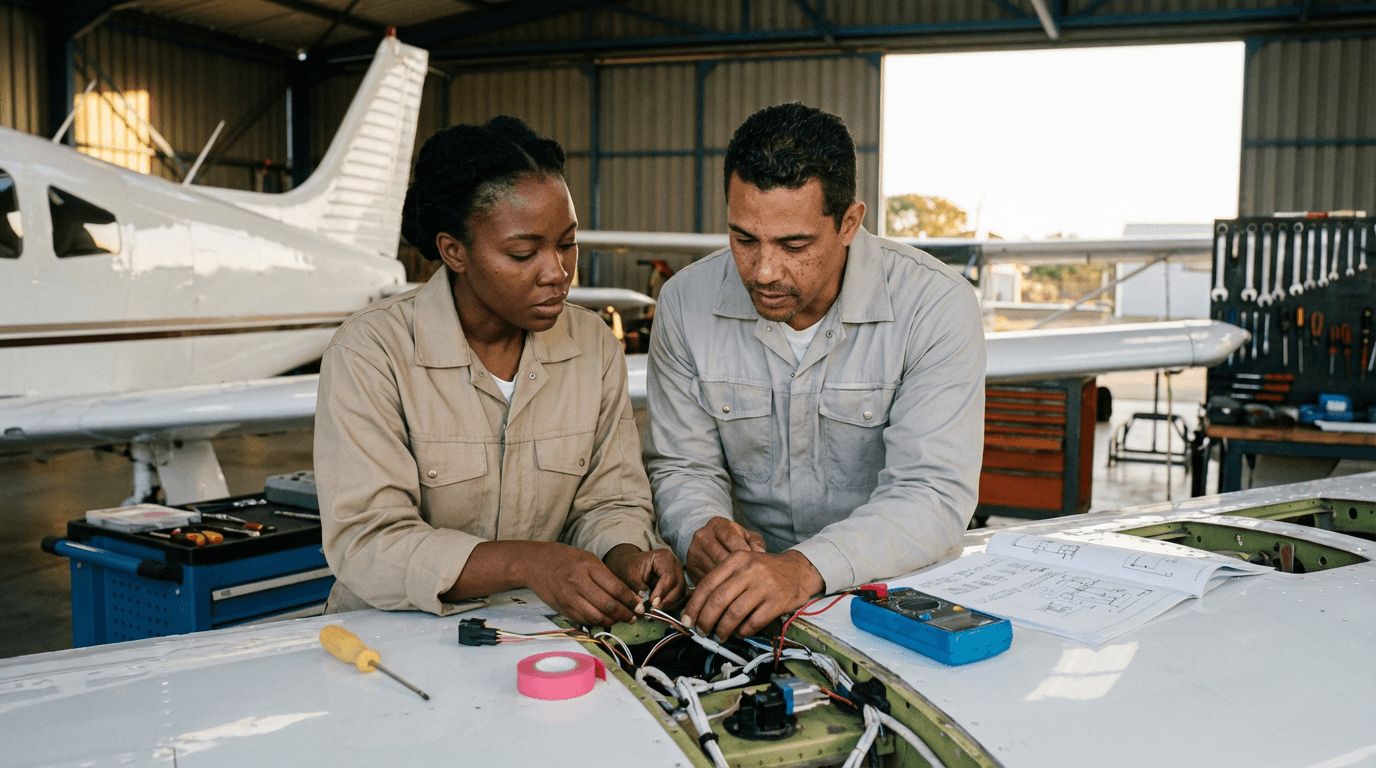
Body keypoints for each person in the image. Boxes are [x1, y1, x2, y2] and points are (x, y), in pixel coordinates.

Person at [316, 116, 684, 626]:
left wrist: (626, 555)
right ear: (454, 251)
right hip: (392, 641)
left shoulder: (593, 346)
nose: (557, 272)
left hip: (537, 636)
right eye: (523, 252)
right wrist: (528, 562)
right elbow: (369, 541)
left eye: (567, 243)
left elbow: (610, 499)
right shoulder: (371, 352)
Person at [644, 102, 985, 639]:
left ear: (850, 222)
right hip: (738, 598)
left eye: (794, 244)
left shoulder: (934, 305)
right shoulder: (686, 303)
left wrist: (803, 569)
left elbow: (932, 494)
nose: (763, 271)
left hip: (889, 593)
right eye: (743, 238)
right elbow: (681, 467)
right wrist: (699, 529)